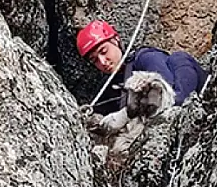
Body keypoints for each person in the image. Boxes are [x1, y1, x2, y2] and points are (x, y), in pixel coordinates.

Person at [75, 20, 209, 134]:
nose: (103, 62)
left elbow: (164, 90)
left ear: (116, 40)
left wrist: (126, 114)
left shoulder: (144, 58)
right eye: (95, 60)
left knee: (179, 58)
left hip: (187, 98)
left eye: (104, 51)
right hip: (160, 130)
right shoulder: (108, 89)